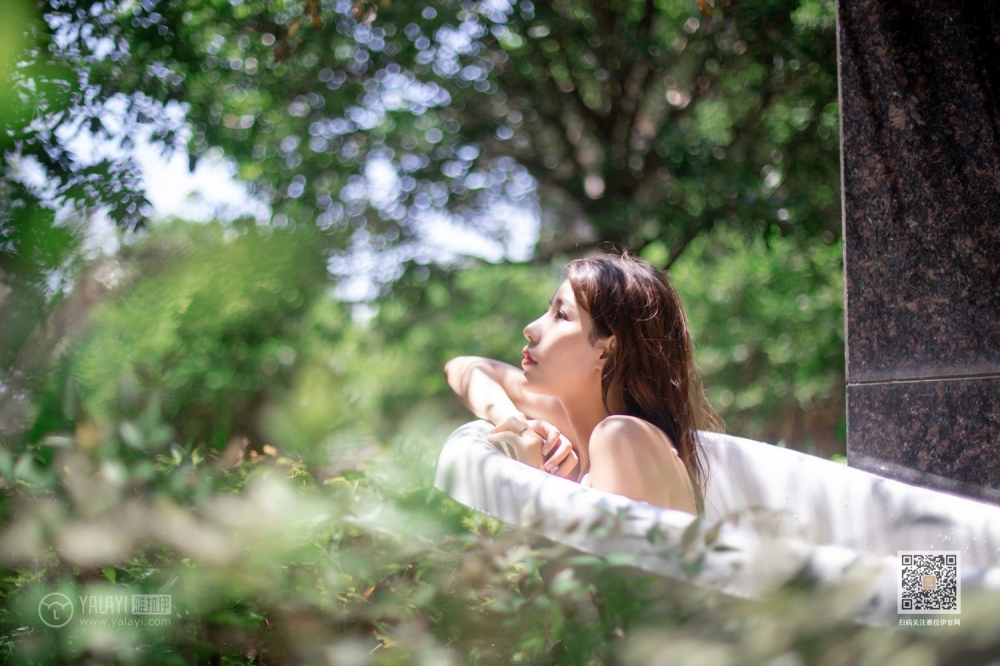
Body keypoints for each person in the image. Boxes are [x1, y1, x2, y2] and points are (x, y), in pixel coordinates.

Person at [444, 251, 719, 516]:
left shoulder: (621, 437)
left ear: (607, 351)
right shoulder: (591, 427)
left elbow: (606, 563)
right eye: (547, 311)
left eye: (560, 315)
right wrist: (515, 422)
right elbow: (464, 368)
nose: (530, 328)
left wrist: (532, 478)